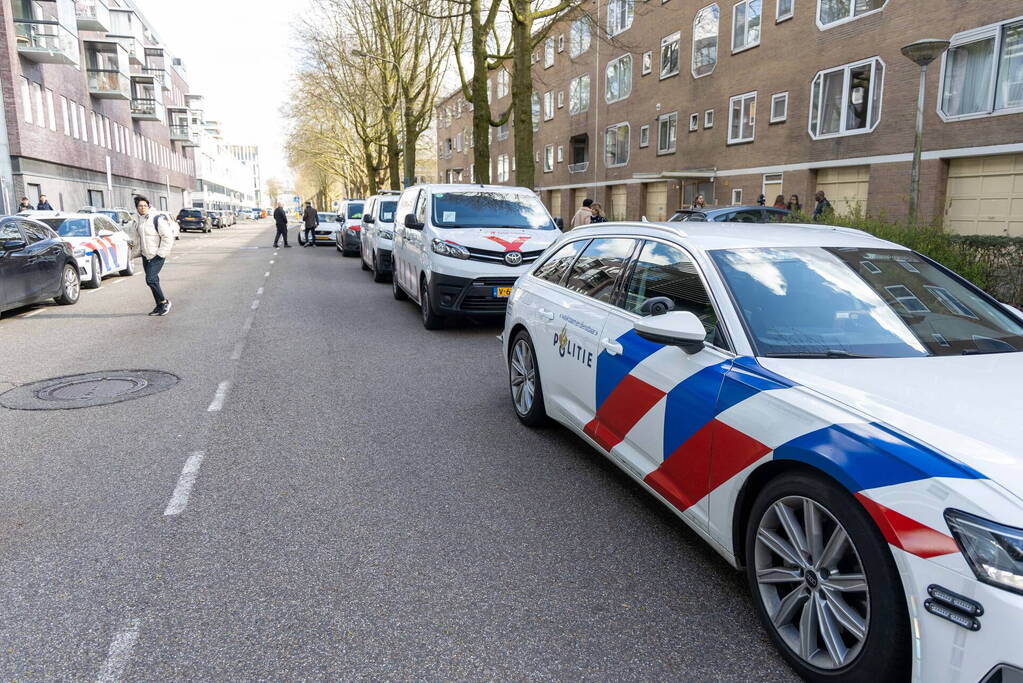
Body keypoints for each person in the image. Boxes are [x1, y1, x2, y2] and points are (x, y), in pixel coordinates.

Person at [135, 196, 174, 316]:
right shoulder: (138, 220)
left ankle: (164, 302)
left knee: (150, 279)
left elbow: (168, 237)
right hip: (145, 255)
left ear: (148, 206)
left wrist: (161, 253)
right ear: (137, 208)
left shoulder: (156, 218)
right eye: (140, 206)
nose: (143, 208)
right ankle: (159, 305)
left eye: (145, 205)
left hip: (156, 255)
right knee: (153, 280)